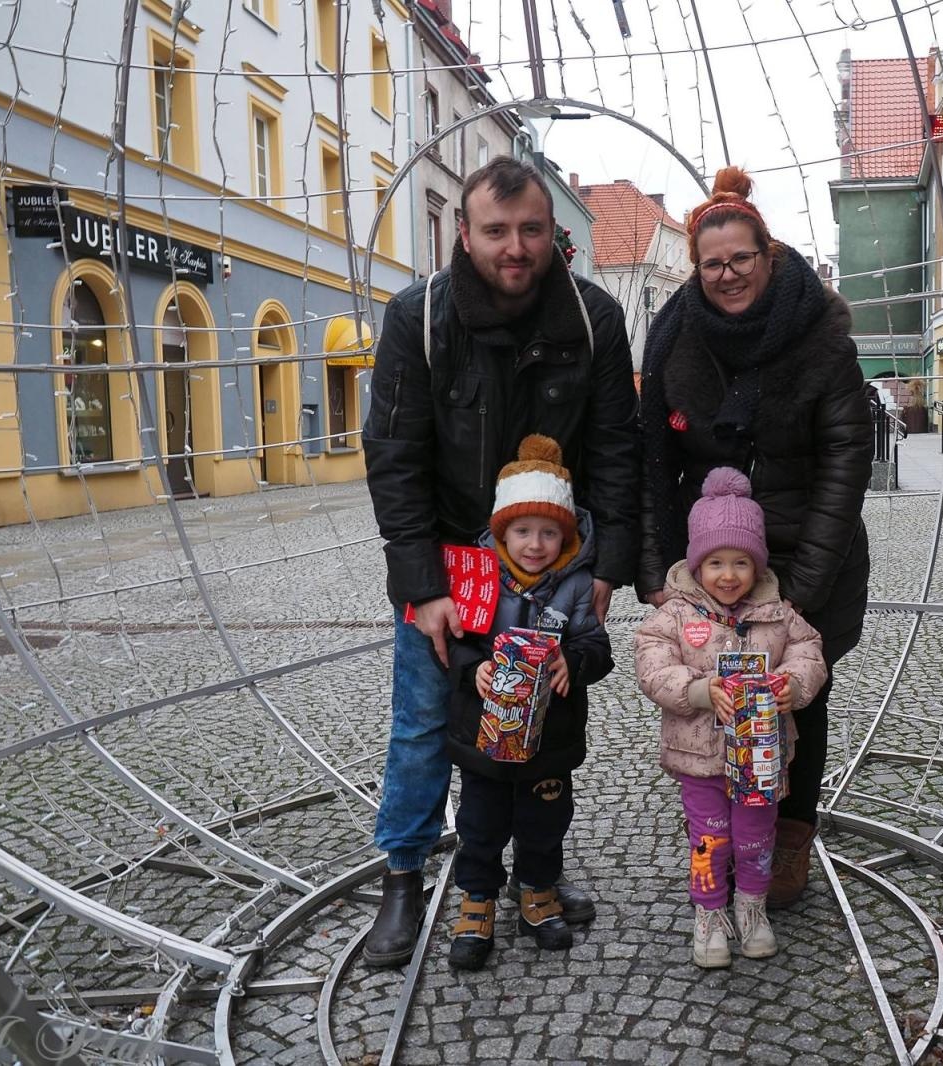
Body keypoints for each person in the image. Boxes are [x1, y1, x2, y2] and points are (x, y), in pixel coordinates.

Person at [362, 156, 638, 968]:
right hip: (452, 566)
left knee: (544, 717)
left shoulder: (592, 318)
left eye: (531, 230)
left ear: (552, 230)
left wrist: (606, 566)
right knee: (423, 726)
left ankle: (532, 878)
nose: (515, 247)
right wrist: (422, 588)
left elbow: (617, 448)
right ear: (465, 232)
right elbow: (395, 459)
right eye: (496, 231)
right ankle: (405, 877)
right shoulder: (418, 317)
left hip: (554, 564)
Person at [636, 166, 872, 906]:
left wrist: (803, 589)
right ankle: (727, 833)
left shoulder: (821, 335)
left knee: (796, 699)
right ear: (696, 268)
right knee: (710, 700)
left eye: (741, 258)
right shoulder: (677, 336)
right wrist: (655, 568)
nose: (728, 274)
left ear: (768, 256)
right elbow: (654, 457)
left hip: (807, 553)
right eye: (712, 263)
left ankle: (788, 838)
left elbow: (845, 459)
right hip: (710, 562)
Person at [635, 468, 827, 967]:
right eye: (715, 562)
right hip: (698, 756)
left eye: (741, 562)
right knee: (709, 839)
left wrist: (793, 685)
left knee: (756, 837)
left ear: (757, 564)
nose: (728, 574)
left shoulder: (778, 613)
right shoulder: (675, 616)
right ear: (697, 564)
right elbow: (652, 665)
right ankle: (709, 913)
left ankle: (753, 907)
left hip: (761, 759)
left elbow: (809, 651)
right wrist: (697, 690)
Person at [443, 436, 614, 971]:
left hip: (550, 739)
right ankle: (478, 900)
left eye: (548, 532)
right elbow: (455, 644)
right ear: (502, 533)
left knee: (546, 819)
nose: (534, 544)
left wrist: (574, 662)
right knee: (479, 823)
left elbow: (597, 647)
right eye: (522, 531)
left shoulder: (578, 586)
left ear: (565, 536)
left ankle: (537, 890)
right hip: (483, 736)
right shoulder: (479, 580)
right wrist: (476, 670)